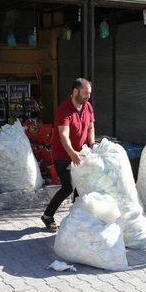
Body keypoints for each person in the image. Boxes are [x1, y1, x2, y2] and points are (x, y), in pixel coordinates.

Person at [41, 78, 95, 230]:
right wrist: (72, 153)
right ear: (75, 91)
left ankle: (77, 216)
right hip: (62, 153)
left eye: (89, 93)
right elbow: (64, 135)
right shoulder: (63, 110)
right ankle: (47, 216)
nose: (88, 97)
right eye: (86, 93)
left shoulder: (88, 107)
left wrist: (92, 144)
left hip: (82, 151)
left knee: (82, 184)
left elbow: (91, 127)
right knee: (68, 186)